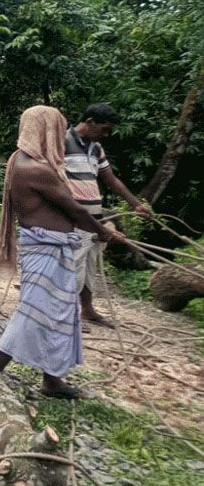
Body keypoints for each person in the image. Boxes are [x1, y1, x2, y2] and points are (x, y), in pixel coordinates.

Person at [0, 106, 123, 399]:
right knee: (32, 313)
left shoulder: (21, 160)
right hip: (47, 249)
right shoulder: (38, 170)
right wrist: (102, 231)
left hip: (52, 247)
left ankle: (52, 381)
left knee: (62, 314)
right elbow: (74, 209)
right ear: (46, 130)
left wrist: (99, 227)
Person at [66, 103, 151, 329]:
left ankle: (87, 310)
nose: (107, 134)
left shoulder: (96, 148)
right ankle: (67, 314)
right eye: (104, 129)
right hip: (73, 218)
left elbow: (110, 180)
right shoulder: (62, 142)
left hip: (95, 219)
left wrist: (136, 205)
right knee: (73, 266)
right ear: (90, 121)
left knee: (90, 266)